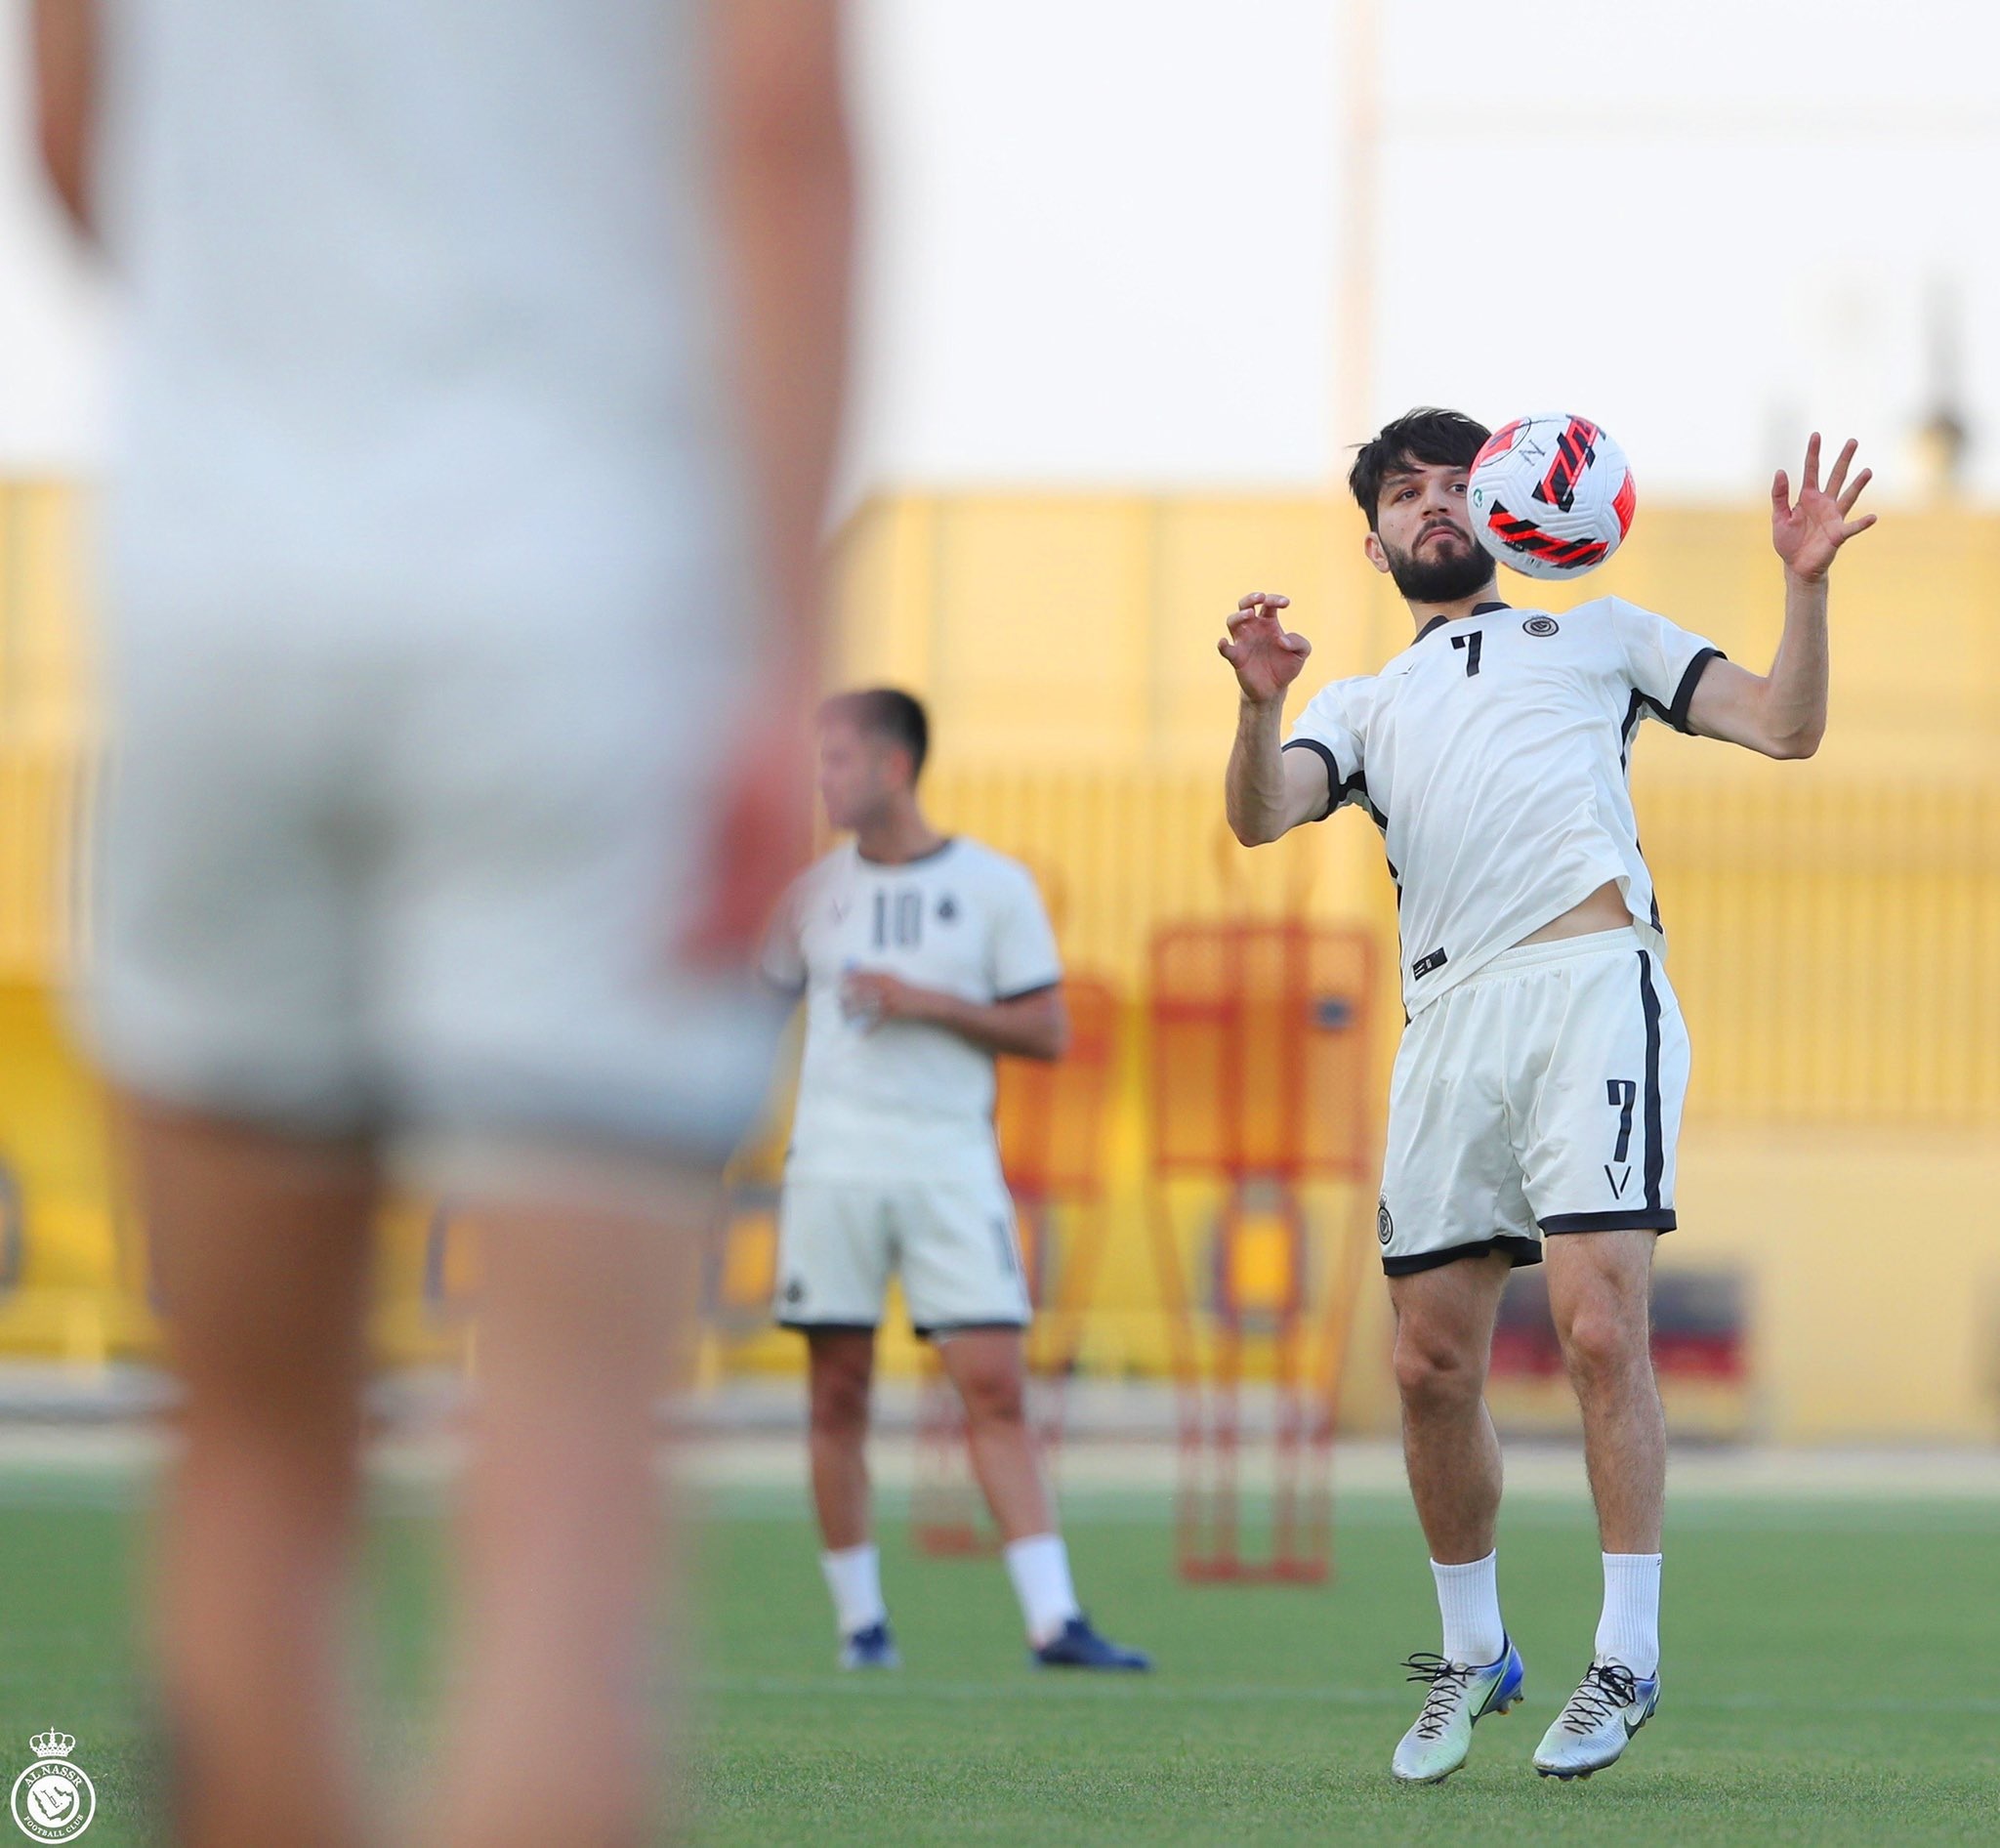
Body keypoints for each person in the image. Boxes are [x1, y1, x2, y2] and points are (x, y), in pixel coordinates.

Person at [33, 2, 853, 1844]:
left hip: (225, 596)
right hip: (577, 611)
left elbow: (74, 137)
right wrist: (782, 640)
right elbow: (783, 139)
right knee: (559, 1526)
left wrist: (292, 333)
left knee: (250, 1465)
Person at [1219, 408, 1874, 1784]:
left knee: (1593, 1327)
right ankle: (1473, 1655)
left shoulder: (1601, 633)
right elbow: (1263, 815)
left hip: (1589, 986)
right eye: (1405, 494)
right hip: (1448, 1018)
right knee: (1424, 1365)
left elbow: (1785, 726)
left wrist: (1804, 587)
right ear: (1376, 537)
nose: (1435, 506)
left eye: (1456, 482)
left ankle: (1625, 1658)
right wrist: (1260, 700)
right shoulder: (1358, 704)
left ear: (1511, 500)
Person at [761, 688, 1150, 1672]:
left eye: (839, 759)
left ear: (893, 766)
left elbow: (1047, 1029)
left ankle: (1052, 1619)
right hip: (832, 1163)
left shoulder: (991, 885)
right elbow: (748, 1016)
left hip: (948, 1161)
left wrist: (923, 1000)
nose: (824, 777)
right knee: (835, 1388)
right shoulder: (808, 894)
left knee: (992, 1384)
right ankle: (861, 1628)